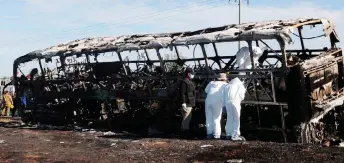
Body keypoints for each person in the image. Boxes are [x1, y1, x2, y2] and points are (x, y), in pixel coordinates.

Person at [204, 73, 227, 139]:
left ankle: (209, 134)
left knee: (208, 118)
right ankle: (216, 135)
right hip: (217, 101)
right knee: (216, 118)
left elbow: (206, 91)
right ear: (224, 79)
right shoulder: (224, 84)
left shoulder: (211, 83)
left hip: (208, 101)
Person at [180, 67, 196, 136]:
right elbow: (182, 93)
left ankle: (185, 130)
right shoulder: (184, 82)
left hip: (190, 102)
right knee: (186, 118)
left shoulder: (190, 81)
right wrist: (183, 103)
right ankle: (184, 132)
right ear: (188, 74)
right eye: (192, 74)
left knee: (187, 118)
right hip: (187, 103)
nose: (193, 75)